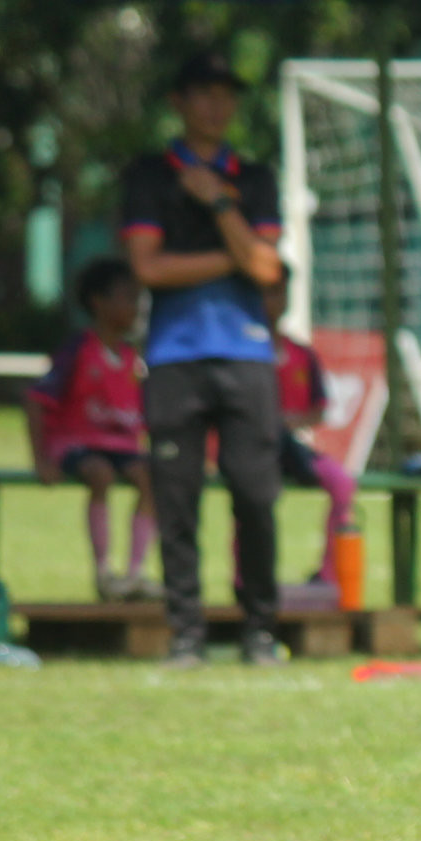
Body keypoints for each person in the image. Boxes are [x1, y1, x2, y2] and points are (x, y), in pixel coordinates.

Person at [121, 51, 285, 667]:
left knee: (254, 494)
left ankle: (261, 629)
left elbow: (268, 269)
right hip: (173, 357)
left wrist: (218, 203)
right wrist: (237, 253)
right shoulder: (148, 175)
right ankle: (186, 631)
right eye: (203, 93)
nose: (217, 106)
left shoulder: (255, 175)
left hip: (246, 356)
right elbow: (147, 267)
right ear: (178, 103)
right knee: (177, 497)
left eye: (226, 94)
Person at [26, 257, 157, 601]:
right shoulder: (78, 350)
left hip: (120, 444)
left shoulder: (134, 359)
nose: (136, 307)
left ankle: (136, 572)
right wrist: (42, 459)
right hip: (76, 441)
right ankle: (103, 572)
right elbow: (37, 400)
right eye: (128, 298)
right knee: (99, 474)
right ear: (98, 303)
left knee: (151, 479)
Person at [260, 274, 357, 597]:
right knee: (254, 492)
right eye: (268, 293)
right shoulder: (243, 355)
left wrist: (290, 422)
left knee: (342, 482)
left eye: (281, 293)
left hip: (293, 448)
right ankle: (251, 578)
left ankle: (329, 575)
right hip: (254, 448)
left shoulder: (301, 354)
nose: (276, 301)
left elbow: (319, 408)